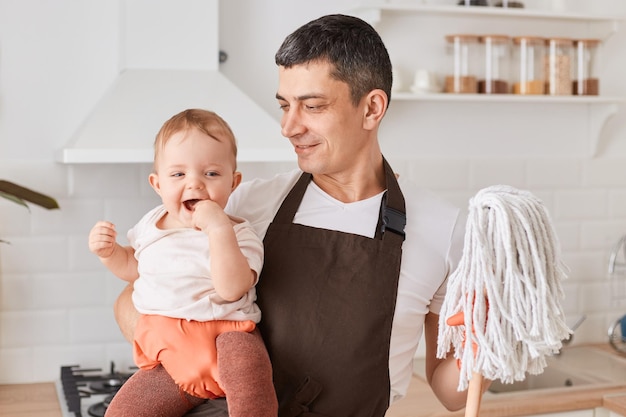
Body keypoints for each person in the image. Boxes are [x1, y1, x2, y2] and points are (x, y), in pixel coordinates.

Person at [114, 14, 479, 416]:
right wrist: (184, 346)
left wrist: (489, 343)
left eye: (312, 106)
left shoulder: (444, 230)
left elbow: (451, 393)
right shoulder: (247, 205)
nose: (288, 127)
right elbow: (131, 299)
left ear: (372, 108)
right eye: (285, 106)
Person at [88, 109, 278, 417]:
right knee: (122, 412)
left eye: (211, 174)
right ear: (157, 184)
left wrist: (218, 229)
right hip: (169, 354)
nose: (195, 185)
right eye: (178, 174)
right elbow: (134, 270)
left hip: (228, 337)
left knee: (251, 385)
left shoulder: (239, 233)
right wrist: (109, 253)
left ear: (234, 183)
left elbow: (231, 289)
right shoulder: (150, 227)